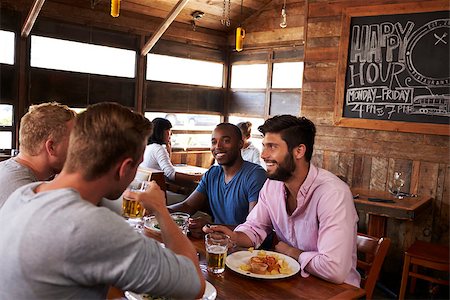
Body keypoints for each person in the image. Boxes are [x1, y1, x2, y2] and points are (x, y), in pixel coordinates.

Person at [0, 102, 205, 299]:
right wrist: (160, 208)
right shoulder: (93, 226)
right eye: (137, 166)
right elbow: (194, 284)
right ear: (124, 168)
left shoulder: (24, 193)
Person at [204, 115, 361, 287]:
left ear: (299, 151)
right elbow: (254, 228)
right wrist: (232, 236)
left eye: (272, 147)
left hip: (336, 291)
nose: (263, 155)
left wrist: (290, 251)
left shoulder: (333, 193)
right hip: (294, 284)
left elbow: (334, 269)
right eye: (264, 146)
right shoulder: (272, 186)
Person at [169, 123, 267, 237]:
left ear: (240, 144)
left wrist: (211, 227)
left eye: (226, 141)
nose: (218, 146)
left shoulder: (255, 175)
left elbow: (254, 227)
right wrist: (157, 210)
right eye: (214, 142)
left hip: (249, 250)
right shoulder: (212, 173)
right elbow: (187, 206)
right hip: (217, 244)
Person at [0, 102, 76, 209]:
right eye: (74, 141)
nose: (78, 148)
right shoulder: (25, 195)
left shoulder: (8, 170)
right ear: (51, 147)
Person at [140, 117, 202, 186]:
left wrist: (168, 147)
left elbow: (168, 168)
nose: (171, 134)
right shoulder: (158, 149)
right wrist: (199, 177)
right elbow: (171, 174)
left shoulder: (149, 147)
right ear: (160, 132)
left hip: (145, 188)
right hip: (152, 191)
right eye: (168, 130)